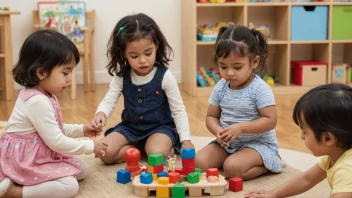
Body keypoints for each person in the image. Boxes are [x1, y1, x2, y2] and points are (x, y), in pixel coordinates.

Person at [0, 29, 108, 198]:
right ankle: (16, 192)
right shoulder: (37, 101)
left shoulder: (46, 94)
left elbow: (55, 129)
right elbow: (56, 141)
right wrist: (90, 146)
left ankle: (28, 181)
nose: (70, 79)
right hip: (23, 161)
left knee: (81, 169)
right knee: (69, 186)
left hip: (38, 152)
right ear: (41, 72)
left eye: (71, 72)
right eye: (65, 72)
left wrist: (82, 129)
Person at [91, 13, 194, 164]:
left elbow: (178, 110)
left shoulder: (165, 76)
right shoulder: (122, 76)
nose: (143, 60)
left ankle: (165, 149)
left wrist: (185, 140)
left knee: (156, 154)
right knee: (104, 152)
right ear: (124, 54)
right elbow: (109, 99)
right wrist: (101, 113)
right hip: (130, 128)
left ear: (156, 47)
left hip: (160, 129)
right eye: (134, 56)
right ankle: (137, 151)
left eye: (148, 53)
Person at [195, 25, 282, 180]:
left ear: (254, 62)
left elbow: (270, 121)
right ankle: (235, 160)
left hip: (258, 144)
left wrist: (241, 128)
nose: (229, 72)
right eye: (223, 66)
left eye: (237, 67)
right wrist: (217, 131)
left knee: (232, 169)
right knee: (198, 162)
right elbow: (211, 117)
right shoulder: (221, 87)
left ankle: (271, 162)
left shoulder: (259, 89)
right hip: (229, 144)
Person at [245, 83, 352, 198]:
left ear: (328, 139)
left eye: (305, 132)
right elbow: (307, 179)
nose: (302, 136)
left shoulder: (346, 170)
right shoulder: (335, 154)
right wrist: (273, 194)